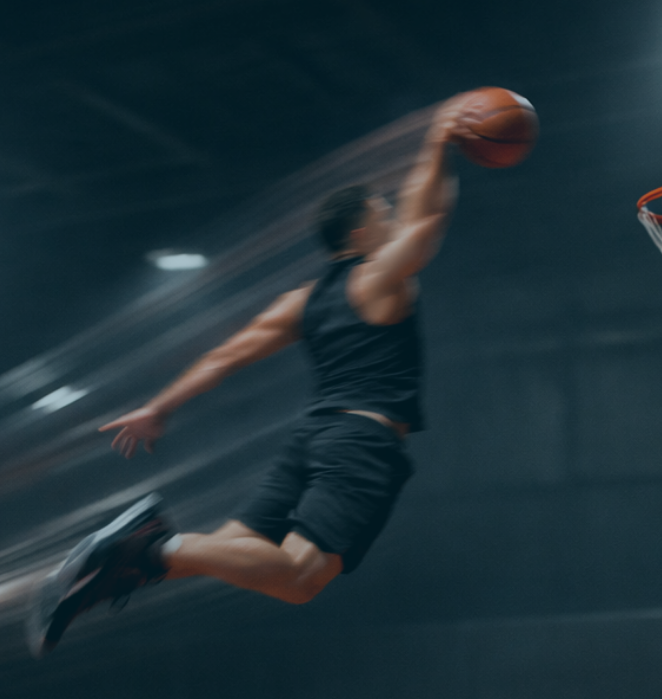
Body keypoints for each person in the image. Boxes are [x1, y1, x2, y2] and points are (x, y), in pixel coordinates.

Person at [27, 94, 479, 657]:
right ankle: (142, 552)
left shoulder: (300, 302)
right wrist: (439, 142)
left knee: (234, 550)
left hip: (311, 438)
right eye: (382, 215)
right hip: (361, 442)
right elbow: (429, 219)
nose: (392, 220)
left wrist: (159, 408)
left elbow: (223, 357)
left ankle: (132, 565)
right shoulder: (380, 278)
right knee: (298, 579)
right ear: (359, 235)